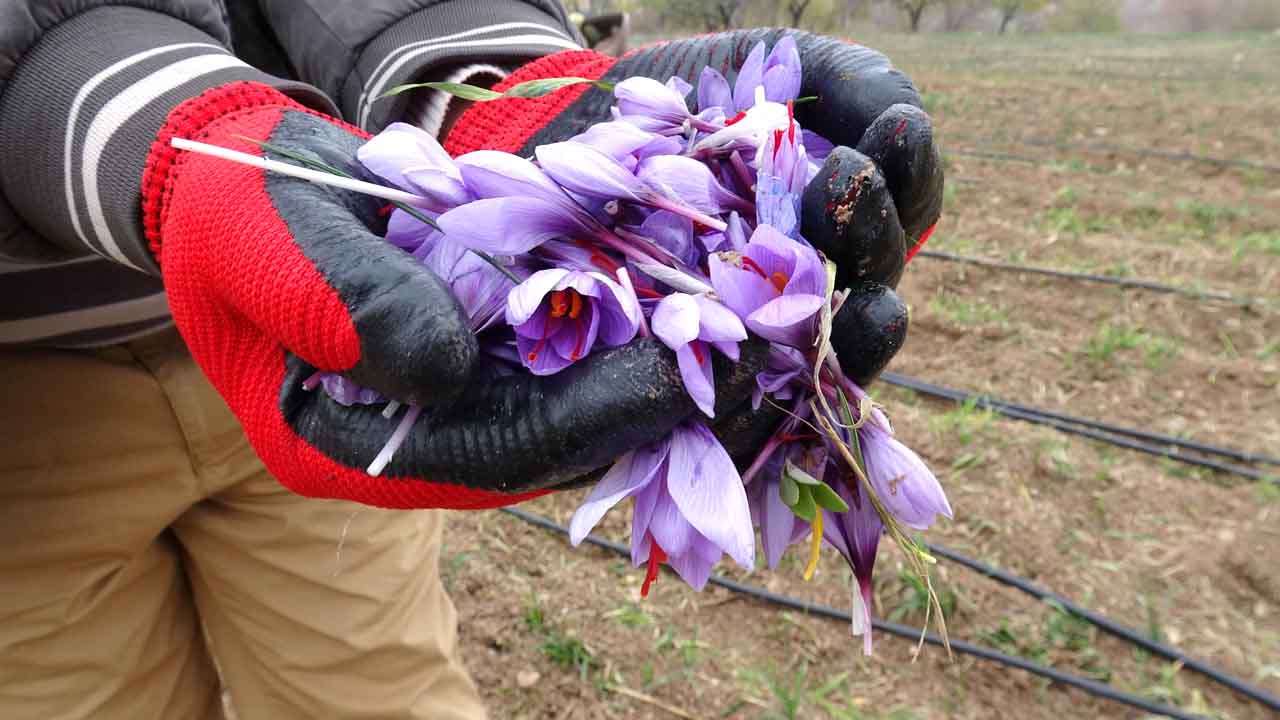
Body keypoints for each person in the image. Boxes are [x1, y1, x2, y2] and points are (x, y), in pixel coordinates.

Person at [0, 1, 942, 718]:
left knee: (380, 681)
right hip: (31, 433)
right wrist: (132, 129)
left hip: (348, 336)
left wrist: (482, 78)